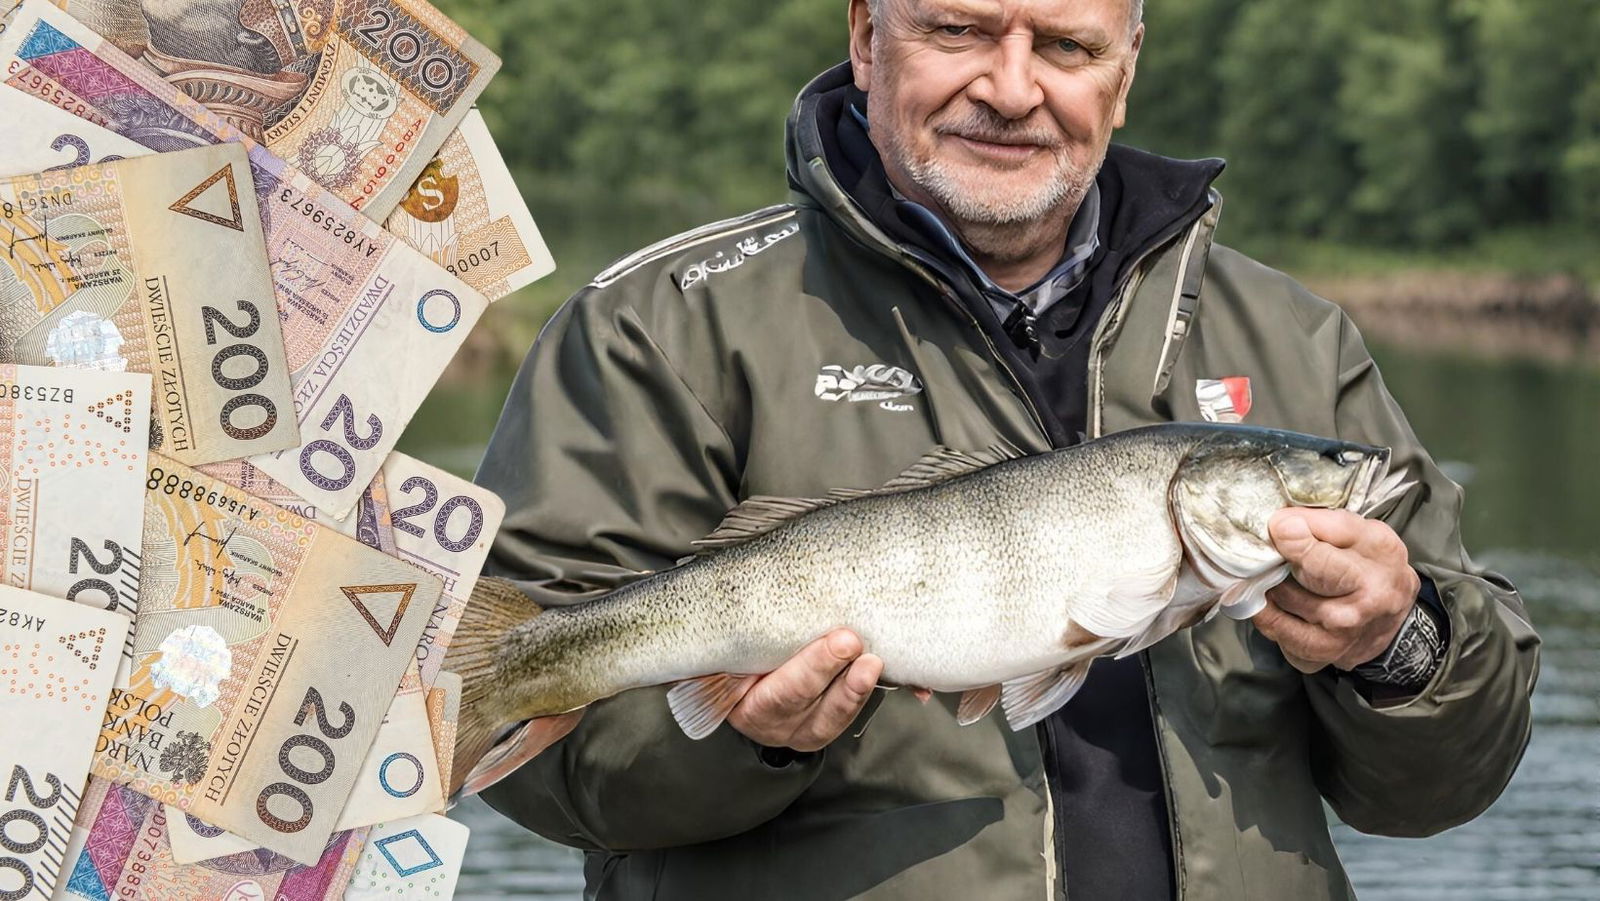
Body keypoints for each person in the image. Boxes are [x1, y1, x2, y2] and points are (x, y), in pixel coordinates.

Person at [472, 1, 1541, 897]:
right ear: (865, 36)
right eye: (959, 30)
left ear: (1123, 75)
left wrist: (1397, 644)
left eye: (1066, 48)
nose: (1013, 87)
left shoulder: (1299, 337)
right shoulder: (655, 325)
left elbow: (1443, 787)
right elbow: (547, 778)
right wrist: (754, 738)